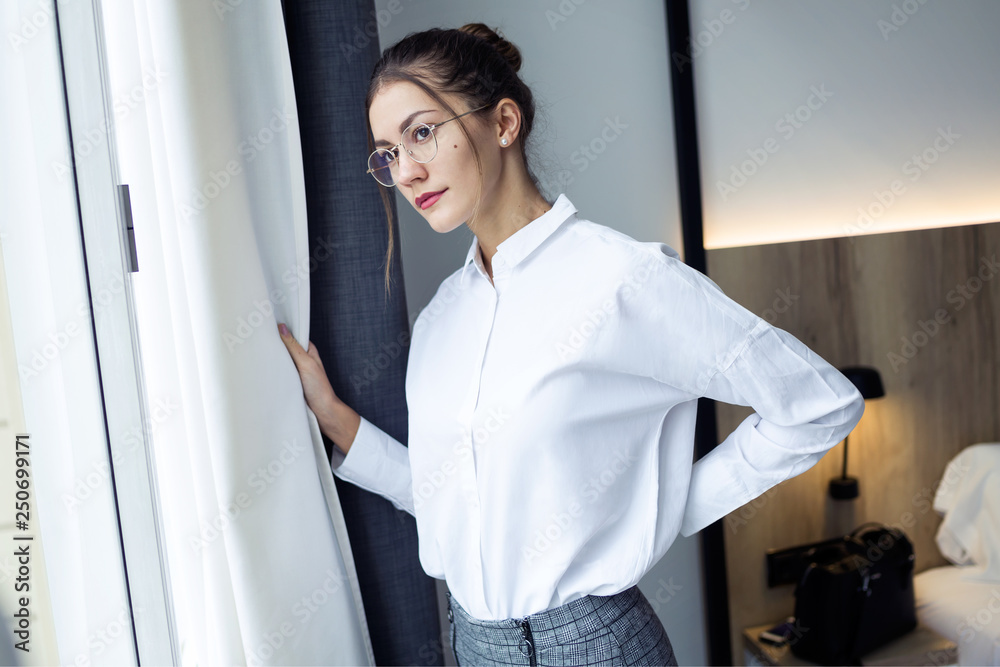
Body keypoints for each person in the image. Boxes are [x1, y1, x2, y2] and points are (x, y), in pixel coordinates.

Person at [278, 23, 864, 667]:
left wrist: (662, 513)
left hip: (596, 647)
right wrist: (336, 420)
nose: (407, 170)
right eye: (387, 151)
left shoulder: (623, 279)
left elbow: (818, 405)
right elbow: (447, 496)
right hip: (473, 646)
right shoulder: (442, 319)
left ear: (504, 123)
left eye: (422, 132)